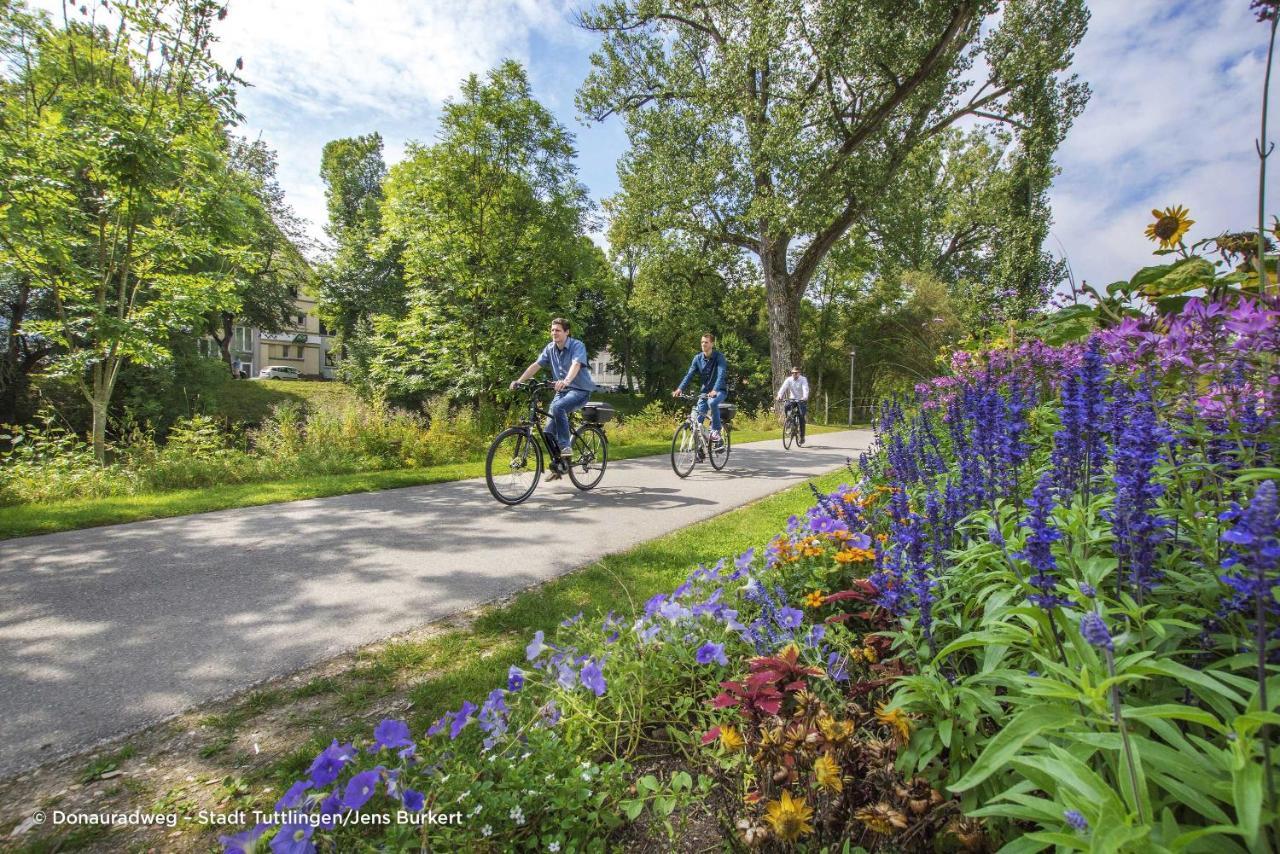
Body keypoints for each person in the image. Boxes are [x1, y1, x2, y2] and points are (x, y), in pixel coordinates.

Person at [511, 318, 595, 479]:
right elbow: (536, 365)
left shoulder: (577, 346)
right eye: (552, 330)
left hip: (580, 390)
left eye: (557, 330)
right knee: (548, 432)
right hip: (562, 391)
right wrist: (519, 381)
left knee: (558, 408)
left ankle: (566, 446)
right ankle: (560, 466)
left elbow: (576, 365)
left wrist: (566, 381)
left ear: (566, 332)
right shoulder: (550, 348)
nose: (554, 333)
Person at [671, 332, 728, 447]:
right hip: (705, 392)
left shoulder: (719, 357)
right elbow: (689, 375)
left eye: (706, 342)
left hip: (719, 390)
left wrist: (715, 390)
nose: (703, 344)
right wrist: (680, 389)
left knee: (712, 402)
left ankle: (715, 431)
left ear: (712, 344)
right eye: (702, 342)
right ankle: (700, 451)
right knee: (696, 421)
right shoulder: (697, 359)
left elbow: (721, 375)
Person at [776, 366, 809, 445]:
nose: (794, 374)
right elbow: (783, 388)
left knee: (801, 416)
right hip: (793, 399)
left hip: (801, 400)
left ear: (799, 373)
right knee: (787, 405)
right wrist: (779, 395)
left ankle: (802, 436)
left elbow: (805, 389)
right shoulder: (789, 380)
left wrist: (804, 397)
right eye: (793, 373)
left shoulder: (803, 379)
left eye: (796, 373)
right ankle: (789, 422)